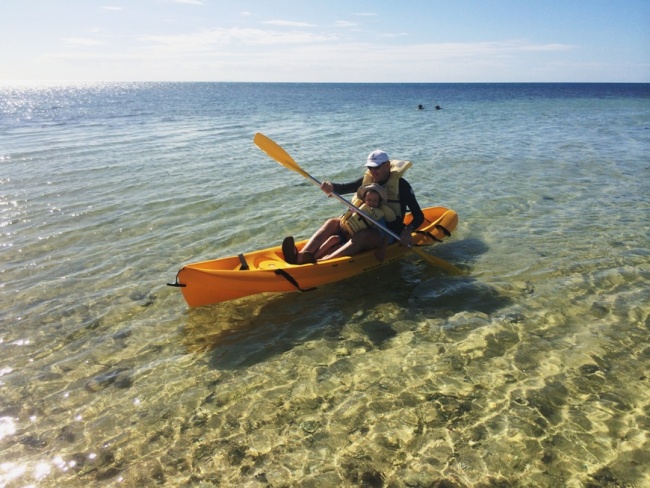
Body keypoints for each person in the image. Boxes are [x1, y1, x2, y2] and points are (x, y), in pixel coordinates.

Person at [282, 149, 425, 264]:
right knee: (332, 222)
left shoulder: (402, 186)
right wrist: (331, 187)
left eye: (377, 168)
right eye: (370, 167)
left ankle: (323, 263)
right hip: (360, 224)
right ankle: (300, 257)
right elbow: (345, 187)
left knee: (362, 236)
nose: (373, 172)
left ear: (387, 165)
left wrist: (408, 230)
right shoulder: (368, 180)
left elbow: (419, 216)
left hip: (384, 234)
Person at [313, 183, 396, 261]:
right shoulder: (358, 209)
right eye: (369, 200)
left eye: (375, 201)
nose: (372, 203)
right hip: (346, 236)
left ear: (378, 203)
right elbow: (346, 217)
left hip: (359, 242)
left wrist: (383, 249)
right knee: (333, 239)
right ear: (364, 200)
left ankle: (326, 260)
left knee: (337, 247)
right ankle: (314, 256)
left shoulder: (378, 216)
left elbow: (386, 235)